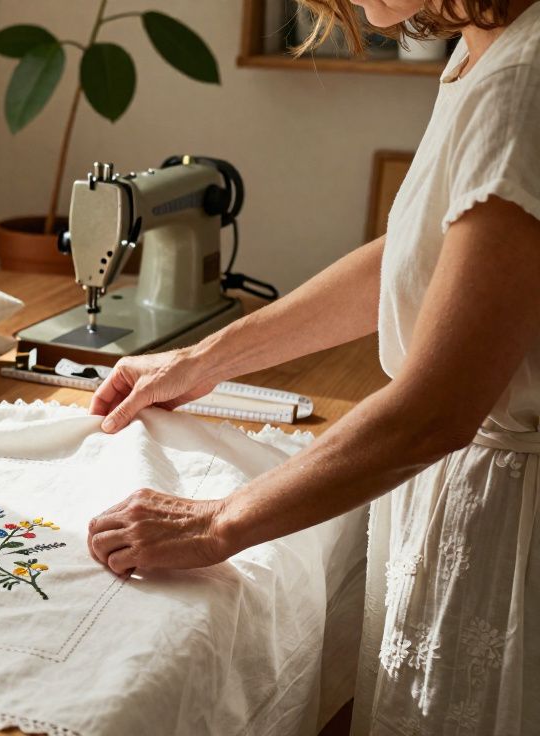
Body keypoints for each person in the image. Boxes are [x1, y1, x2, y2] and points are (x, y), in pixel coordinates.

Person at [86, 0, 540, 732]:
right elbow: (418, 260)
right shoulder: (485, 47)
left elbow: (437, 409)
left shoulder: (524, 84)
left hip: (508, 531)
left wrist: (218, 522)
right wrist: (205, 359)